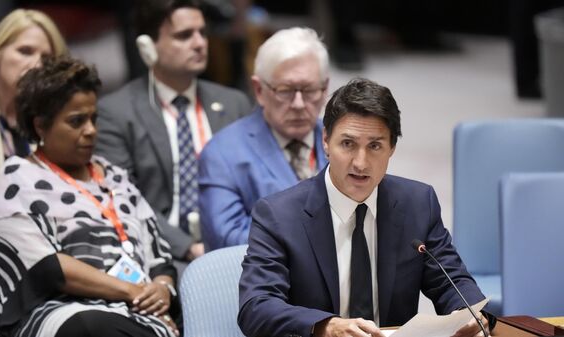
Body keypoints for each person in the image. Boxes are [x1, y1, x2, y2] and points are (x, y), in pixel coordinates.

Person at [238, 78, 493, 337]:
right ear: (325, 140)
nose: (360, 163)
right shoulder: (278, 215)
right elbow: (256, 307)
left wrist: (468, 313)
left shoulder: (417, 203)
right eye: (348, 144)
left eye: (374, 146)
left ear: (392, 147)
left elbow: (452, 282)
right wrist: (326, 326)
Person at [0, 55, 179, 337]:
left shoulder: (116, 177)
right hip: (59, 311)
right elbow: (49, 268)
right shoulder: (18, 177)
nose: (91, 130)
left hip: (136, 308)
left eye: (93, 118)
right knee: (90, 326)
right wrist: (135, 292)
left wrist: (161, 289)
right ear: (40, 125)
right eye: (77, 121)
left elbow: (160, 257)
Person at [95, 0, 252, 267]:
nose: (200, 43)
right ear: (147, 46)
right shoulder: (116, 112)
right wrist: (188, 247)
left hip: (236, 246)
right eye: (184, 35)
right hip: (162, 253)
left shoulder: (234, 103)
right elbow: (121, 197)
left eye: (202, 32)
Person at [0, 8, 67, 310]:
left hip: (46, 269)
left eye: (47, 59)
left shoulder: (53, 130)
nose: (35, 64)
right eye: (25, 51)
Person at [198, 27, 329, 251]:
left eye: (309, 90)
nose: (298, 104)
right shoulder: (222, 154)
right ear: (259, 90)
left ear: (325, 89)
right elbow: (227, 240)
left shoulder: (344, 141)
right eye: (285, 90)